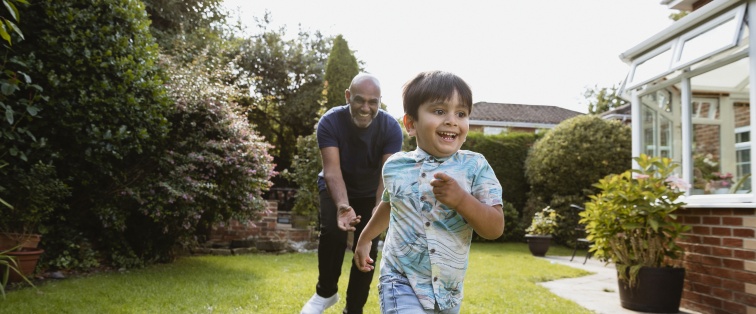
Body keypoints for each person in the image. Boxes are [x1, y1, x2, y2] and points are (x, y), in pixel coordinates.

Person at [353, 71, 505, 313]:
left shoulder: (476, 167)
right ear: (411, 124)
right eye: (439, 111)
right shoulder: (395, 167)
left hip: (448, 291)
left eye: (461, 113)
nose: (452, 120)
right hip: (400, 279)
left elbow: (495, 228)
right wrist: (365, 238)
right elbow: (390, 204)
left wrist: (462, 200)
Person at [301, 73, 403, 314]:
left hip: (372, 193)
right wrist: (343, 207)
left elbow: (386, 177)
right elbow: (332, 170)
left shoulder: (390, 128)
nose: (365, 107)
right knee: (333, 232)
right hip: (336, 186)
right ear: (348, 97)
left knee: (367, 245)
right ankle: (326, 292)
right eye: (359, 100)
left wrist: (378, 211)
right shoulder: (330, 122)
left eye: (372, 102)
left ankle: (354, 309)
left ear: (380, 101)